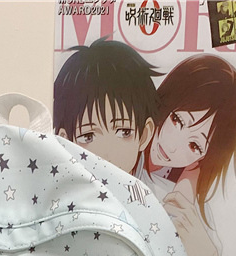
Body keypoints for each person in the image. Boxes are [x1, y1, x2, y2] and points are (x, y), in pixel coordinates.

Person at [140, 55, 236, 256]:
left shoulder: (189, 207)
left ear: (205, 157)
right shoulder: (125, 144)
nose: (172, 146)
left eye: (194, 145)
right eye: (178, 120)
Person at [54, 38, 161, 175]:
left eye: (124, 132)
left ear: (144, 135)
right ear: (65, 141)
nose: (108, 155)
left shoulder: (160, 189)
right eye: (88, 137)